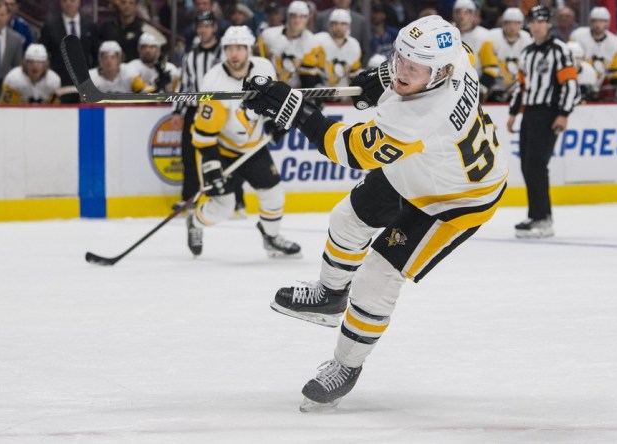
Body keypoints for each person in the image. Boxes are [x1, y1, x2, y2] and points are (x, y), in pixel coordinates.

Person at [242, 14, 508, 411]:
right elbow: (439, 54)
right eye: (398, 57)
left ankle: (346, 365)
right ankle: (331, 295)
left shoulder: (418, 118)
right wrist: (384, 75)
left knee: (377, 276)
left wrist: (291, 109)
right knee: (346, 219)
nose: (402, 69)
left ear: (440, 72)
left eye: (412, 68)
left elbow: (348, 150)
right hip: (423, 167)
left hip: (455, 199)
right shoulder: (457, 56)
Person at [186, 25, 301, 259]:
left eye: (240, 48)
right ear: (224, 51)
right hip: (220, 150)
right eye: (230, 48)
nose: (234, 54)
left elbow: (273, 103)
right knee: (223, 206)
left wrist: (276, 122)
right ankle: (195, 222)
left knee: (274, 195)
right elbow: (204, 135)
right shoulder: (214, 83)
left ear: (249, 49)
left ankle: (271, 237)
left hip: (253, 146)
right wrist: (211, 166)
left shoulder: (264, 68)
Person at [507, 6, 579, 239]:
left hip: (549, 113)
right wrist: (513, 113)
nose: (537, 25)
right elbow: (521, 85)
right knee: (527, 165)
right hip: (530, 114)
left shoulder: (560, 50)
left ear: (549, 24)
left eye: (542, 21)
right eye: (533, 21)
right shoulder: (527, 53)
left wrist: (564, 113)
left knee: (537, 165)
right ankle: (535, 214)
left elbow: (570, 85)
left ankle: (544, 218)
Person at [171, 11, 223, 211]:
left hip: (219, 109)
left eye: (207, 25)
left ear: (214, 28)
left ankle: (231, 198)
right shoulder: (190, 55)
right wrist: (177, 112)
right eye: (200, 26)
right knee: (189, 155)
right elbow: (185, 85)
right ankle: (189, 198)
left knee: (224, 154)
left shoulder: (224, 53)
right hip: (194, 109)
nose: (203, 30)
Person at [39, 0, 100, 103]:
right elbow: (43, 55)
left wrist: (93, 76)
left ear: (79, 2)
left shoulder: (91, 26)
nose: (68, 3)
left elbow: (96, 54)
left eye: (72, 0)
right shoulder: (50, 27)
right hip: (60, 83)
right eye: (64, 1)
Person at [257, 0, 320, 88]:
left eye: (302, 17)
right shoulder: (268, 35)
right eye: (293, 16)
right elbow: (259, 66)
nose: (297, 20)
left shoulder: (312, 42)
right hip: (269, 88)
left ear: (307, 18)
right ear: (288, 16)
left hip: (296, 92)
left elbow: (307, 80)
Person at [452, 0, 499, 101]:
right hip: (448, 89)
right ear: (454, 14)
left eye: (466, 12)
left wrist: (480, 90)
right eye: (458, 12)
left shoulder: (485, 36)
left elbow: (491, 68)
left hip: (473, 89)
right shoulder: (447, 33)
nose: (462, 16)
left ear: (474, 15)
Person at [570, 6, 617, 96]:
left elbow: (615, 72)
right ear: (590, 22)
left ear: (607, 23)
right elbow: (569, 64)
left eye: (602, 21)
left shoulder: (613, 42)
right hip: (575, 86)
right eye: (595, 21)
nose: (598, 24)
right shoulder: (578, 36)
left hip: (595, 90)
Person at [488, 7, 532, 102]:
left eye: (516, 23)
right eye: (509, 23)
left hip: (517, 86)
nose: (512, 27)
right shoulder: (492, 36)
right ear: (503, 23)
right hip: (495, 86)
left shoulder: (527, 38)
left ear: (522, 24)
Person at [313, 9, 362, 90]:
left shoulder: (354, 44)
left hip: (345, 94)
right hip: (321, 91)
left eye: (343, 24)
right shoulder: (318, 40)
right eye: (335, 23)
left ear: (348, 26)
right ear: (330, 25)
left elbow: (354, 74)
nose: (339, 27)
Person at [314, 0, 370, 65]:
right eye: (335, 23)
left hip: (353, 69)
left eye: (343, 24)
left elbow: (365, 51)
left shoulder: (361, 21)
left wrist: (360, 72)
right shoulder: (321, 18)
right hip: (323, 67)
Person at [89, 40, 153, 93]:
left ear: (119, 59)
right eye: (105, 57)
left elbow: (146, 90)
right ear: (100, 60)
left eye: (113, 57)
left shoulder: (129, 72)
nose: (109, 61)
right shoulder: (90, 78)